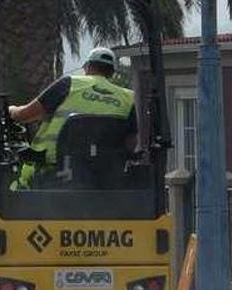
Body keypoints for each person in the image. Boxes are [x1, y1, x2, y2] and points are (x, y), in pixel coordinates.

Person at [8, 47, 136, 189]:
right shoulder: (128, 98)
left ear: (87, 67)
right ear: (112, 72)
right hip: (107, 180)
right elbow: (130, 143)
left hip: (56, 176)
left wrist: (11, 110)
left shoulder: (69, 84)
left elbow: (24, 115)